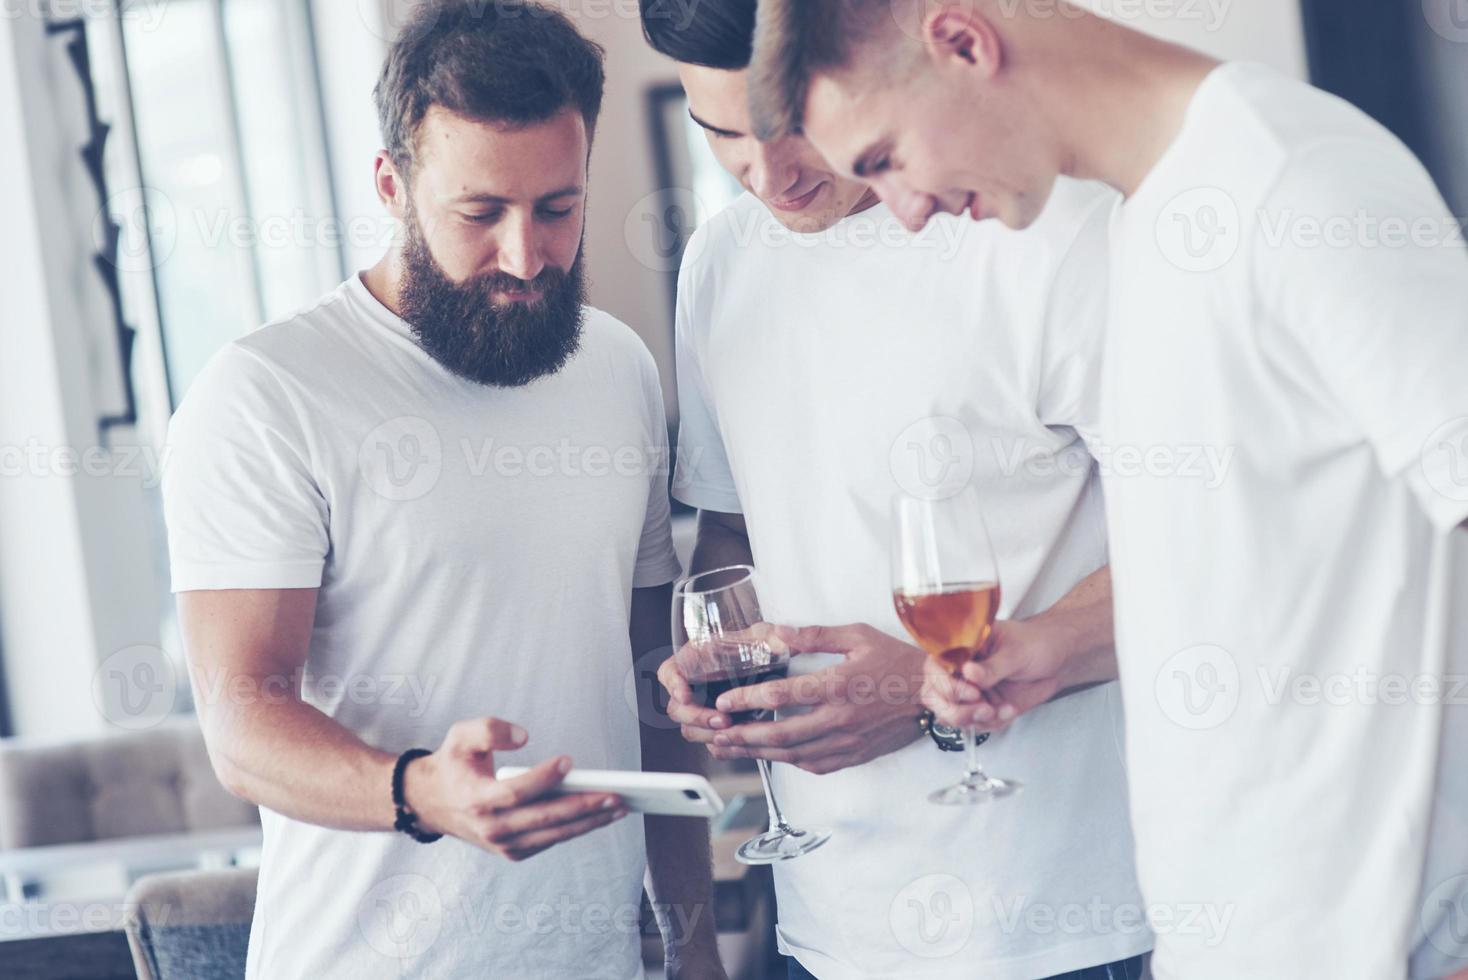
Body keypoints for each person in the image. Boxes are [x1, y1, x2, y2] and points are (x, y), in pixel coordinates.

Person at [745, 2, 1468, 978]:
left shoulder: (1294, 177)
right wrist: (1044, 649)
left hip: (1387, 938)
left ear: (963, 42)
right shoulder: (1152, 219)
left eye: (880, 158)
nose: (902, 207)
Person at [161, 3, 724, 977]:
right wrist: (423, 790)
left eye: (558, 206)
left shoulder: (618, 368)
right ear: (393, 183)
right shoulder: (267, 392)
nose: (525, 254)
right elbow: (242, 722)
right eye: (479, 213)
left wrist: (690, 934)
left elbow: (648, 680)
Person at [639, 3, 1153, 977]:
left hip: (1063, 917)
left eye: (786, 124)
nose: (769, 174)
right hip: (824, 918)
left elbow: (1200, 551)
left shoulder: (1051, 225)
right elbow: (733, 531)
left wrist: (925, 690)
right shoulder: (719, 263)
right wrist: (718, 666)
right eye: (724, 139)